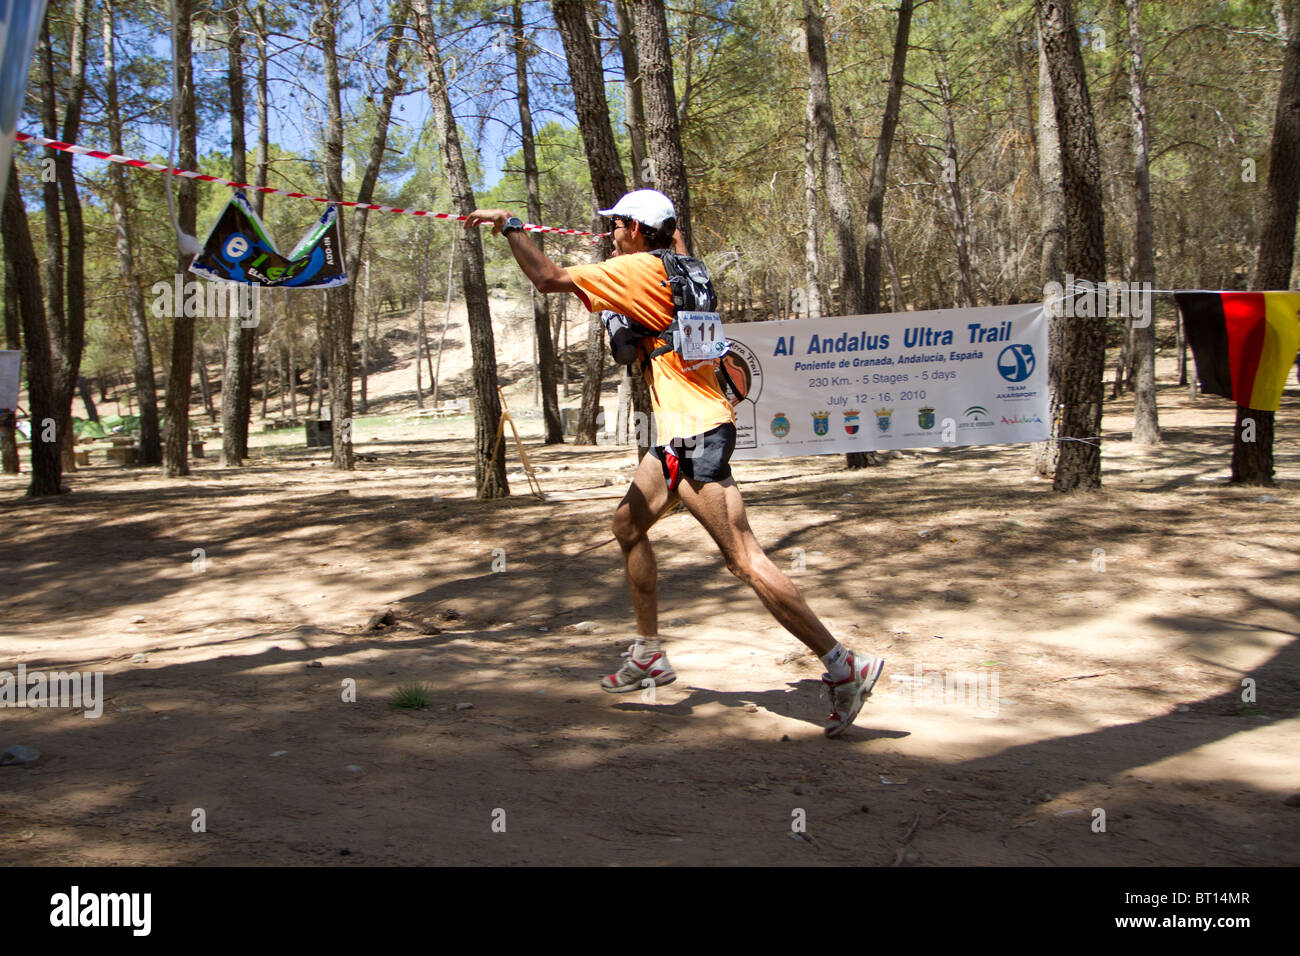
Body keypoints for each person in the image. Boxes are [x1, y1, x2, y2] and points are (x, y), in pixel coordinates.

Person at [463, 190, 884, 736]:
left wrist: (510, 225)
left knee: (744, 559)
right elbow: (666, 257)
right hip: (684, 429)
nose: (611, 234)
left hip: (697, 431)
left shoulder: (636, 268)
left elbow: (546, 278)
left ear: (637, 228)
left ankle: (843, 663)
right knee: (627, 523)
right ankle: (648, 655)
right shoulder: (685, 264)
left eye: (617, 224)